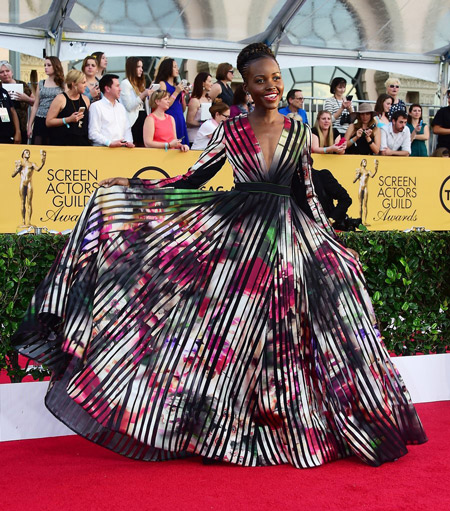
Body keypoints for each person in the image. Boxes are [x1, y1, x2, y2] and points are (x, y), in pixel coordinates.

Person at [13, 42, 426, 469]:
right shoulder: (231, 130)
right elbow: (194, 175)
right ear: (245, 85)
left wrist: (331, 239)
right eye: (260, 80)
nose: (271, 86)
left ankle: (283, 420)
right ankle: (222, 425)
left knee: (284, 333)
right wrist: (135, 190)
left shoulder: (300, 130)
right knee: (230, 335)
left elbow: (307, 194)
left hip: (286, 237)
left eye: (276, 77)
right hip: (239, 236)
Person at [46, 70, 91, 146]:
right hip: (63, 142)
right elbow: (49, 122)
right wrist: (68, 119)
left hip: (82, 142)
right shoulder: (60, 99)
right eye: (83, 82)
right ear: (74, 84)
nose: (86, 85)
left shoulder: (86, 99)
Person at [88, 74, 134, 147]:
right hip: (103, 150)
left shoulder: (121, 107)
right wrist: (109, 143)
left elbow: (127, 129)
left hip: (121, 150)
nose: (120, 89)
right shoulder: (96, 106)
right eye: (117, 86)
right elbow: (93, 133)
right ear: (107, 89)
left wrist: (129, 142)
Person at [27, 56, 65, 144]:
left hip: (55, 119)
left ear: (56, 66)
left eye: (49, 65)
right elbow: (36, 104)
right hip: (40, 118)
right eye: (45, 65)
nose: (46, 68)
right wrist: (30, 125)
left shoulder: (63, 84)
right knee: (38, 145)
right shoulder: (41, 83)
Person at [155, 58, 189, 144]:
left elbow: (183, 109)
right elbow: (166, 104)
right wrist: (177, 92)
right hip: (170, 117)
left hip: (180, 117)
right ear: (168, 68)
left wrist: (183, 95)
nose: (177, 69)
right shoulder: (162, 84)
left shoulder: (176, 85)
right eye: (174, 67)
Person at [0, 60, 35, 143]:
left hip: (22, 125)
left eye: (7, 71)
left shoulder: (23, 85)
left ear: (12, 72)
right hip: (5, 127)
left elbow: (35, 102)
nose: (5, 74)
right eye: (2, 72)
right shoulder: (1, 89)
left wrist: (26, 99)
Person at [120, 57, 151, 147]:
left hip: (143, 116)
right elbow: (129, 106)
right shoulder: (125, 83)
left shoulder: (140, 83)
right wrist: (143, 95)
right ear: (132, 68)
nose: (141, 70)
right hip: (134, 120)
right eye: (138, 67)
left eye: (142, 67)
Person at [11, 148, 46, 226]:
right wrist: (17, 169)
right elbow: (13, 175)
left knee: (29, 202)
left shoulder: (32, 164)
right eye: (26, 152)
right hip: (22, 183)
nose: (28, 153)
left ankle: (29, 221)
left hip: (29, 183)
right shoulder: (20, 164)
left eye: (29, 152)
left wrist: (43, 162)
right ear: (23, 154)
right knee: (22, 202)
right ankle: (23, 221)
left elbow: (38, 169)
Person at [186, 72, 212, 143]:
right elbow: (189, 121)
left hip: (207, 138)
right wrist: (202, 123)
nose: (211, 84)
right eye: (209, 81)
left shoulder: (209, 99)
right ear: (203, 83)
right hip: (195, 138)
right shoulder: (195, 100)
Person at [353, 158, 378, 225]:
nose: (365, 163)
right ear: (361, 163)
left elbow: (372, 176)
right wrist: (357, 176)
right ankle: (360, 221)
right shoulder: (359, 171)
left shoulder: (368, 171)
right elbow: (354, 181)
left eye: (366, 162)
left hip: (365, 188)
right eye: (364, 161)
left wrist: (376, 168)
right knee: (360, 204)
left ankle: (365, 221)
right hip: (360, 188)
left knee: (365, 205)